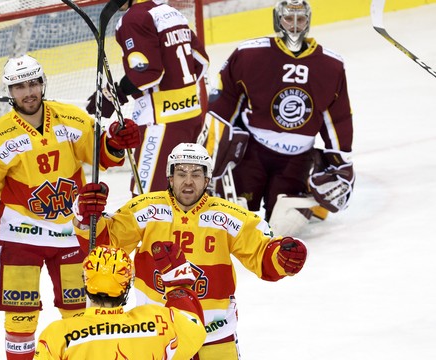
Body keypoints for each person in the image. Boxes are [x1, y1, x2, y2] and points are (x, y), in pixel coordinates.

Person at [0, 54, 140, 360]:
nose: (28, 92)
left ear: (43, 84)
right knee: (20, 321)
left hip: (70, 235)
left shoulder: (72, 119)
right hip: (20, 237)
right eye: (19, 86)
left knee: (79, 318)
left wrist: (116, 142)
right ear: (10, 93)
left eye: (33, 83)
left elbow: (103, 154)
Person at [72, 143, 308, 359]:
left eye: (196, 174)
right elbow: (106, 248)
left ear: (207, 180)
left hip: (214, 333)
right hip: (157, 334)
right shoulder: (146, 208)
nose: (188, 181)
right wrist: (86, 218)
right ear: (170, 178)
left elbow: (261, 251)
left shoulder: (227, 216)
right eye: (181, 174)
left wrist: (281, 258)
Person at [207, 0, 355, 235]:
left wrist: (341, 166)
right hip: (252, 152)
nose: (295, 26)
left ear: (309, 21)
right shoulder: (250, 54)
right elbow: (225, 100)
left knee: (285, 226)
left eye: (301, 19)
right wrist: (209, 155)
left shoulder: (331, 66)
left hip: (296, 158)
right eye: (289, 19)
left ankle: (310, 198)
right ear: (278, 20)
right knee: (233, 219)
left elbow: (337, 119)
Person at [86, 0, 210, 196]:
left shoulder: (134, 18)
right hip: (192, 117)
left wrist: (117, 93)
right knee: (183, 197)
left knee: (147, 200)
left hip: (161, 124)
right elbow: (201, 61)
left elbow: (148, 72)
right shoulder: (172, 13)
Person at [34, 244, 207, 359]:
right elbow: (195, 328)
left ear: (86, 282)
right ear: (126, 286)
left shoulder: (58, 334)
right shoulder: (159, 320)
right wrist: (178, 285)